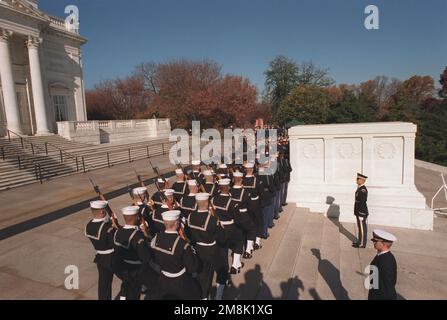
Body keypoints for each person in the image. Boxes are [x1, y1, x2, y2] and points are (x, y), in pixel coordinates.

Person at [150, 210, 202, 300]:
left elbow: (153, 258)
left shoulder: (156, 238)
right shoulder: (182, 244)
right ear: (177, 223)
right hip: (180, 281)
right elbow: (192, 267)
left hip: (163, 279)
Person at [186, 193, 228, 300]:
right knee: (222, 271)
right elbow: (222, 238)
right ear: (207, 202)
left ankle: (204, 297)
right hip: (212, 250)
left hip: (198, 249)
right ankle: (218, 296)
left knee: (203, 276)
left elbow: (188, 234)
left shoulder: (190, 216)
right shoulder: (213, 220)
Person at [113, 206, 159, 300]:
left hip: (125, 267)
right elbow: (146, 257)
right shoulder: (137, 236)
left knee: (128, 290)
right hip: (138, 270)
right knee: (157, 287)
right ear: (136, 217)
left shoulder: (118, 232)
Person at [211, 178, 245, 274]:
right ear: (228, 188)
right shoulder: (232, 202)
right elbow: (238, 219)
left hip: (218, 227)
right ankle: (234, 266)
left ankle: (227, 270)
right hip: (230, 227)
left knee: (223, 251)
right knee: (239, 242)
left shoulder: (213, 199)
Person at [85, 200, 116, 300]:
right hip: (112, 258)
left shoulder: (88, 226)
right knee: (129, 281)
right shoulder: (107, 228)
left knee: (103, 285)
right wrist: (115, 226)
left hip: (100, 258)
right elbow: (116, 241)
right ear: (102, 212)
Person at [231, 171, 257, 259]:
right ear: (241, 179)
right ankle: (248, 251)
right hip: (243, 216)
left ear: (233, 180)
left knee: (238, 236)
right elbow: (251, 208)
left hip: (233, 217)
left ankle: (236, 261)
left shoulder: (229, 191)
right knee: (252, 229)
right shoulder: (245, 193)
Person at [368, 230, 398, 300]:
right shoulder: (381, 256)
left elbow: (388, 285)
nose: (373, 242)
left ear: (383, 243)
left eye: (376, 241)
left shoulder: (386, 261)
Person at [242, 162, 263, 250]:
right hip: (255, 204)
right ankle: (257, 242)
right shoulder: (256, 180)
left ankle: (248, 244)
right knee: (258, 221)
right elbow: (262, 194)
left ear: (245, 170)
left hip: (244, 206)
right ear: (253, 169)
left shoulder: (241, 180)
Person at [353, 173, 369, 248]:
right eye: (357, 178)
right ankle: (359, 241)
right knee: (360, 227)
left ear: (362, 180)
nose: (356, 180)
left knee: (362, 228)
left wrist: (361, 214)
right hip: (358, 211)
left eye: (358, 179)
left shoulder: (363, 190)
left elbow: (362, 202)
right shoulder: (359, 188)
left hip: (361, 212)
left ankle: (362, 244)